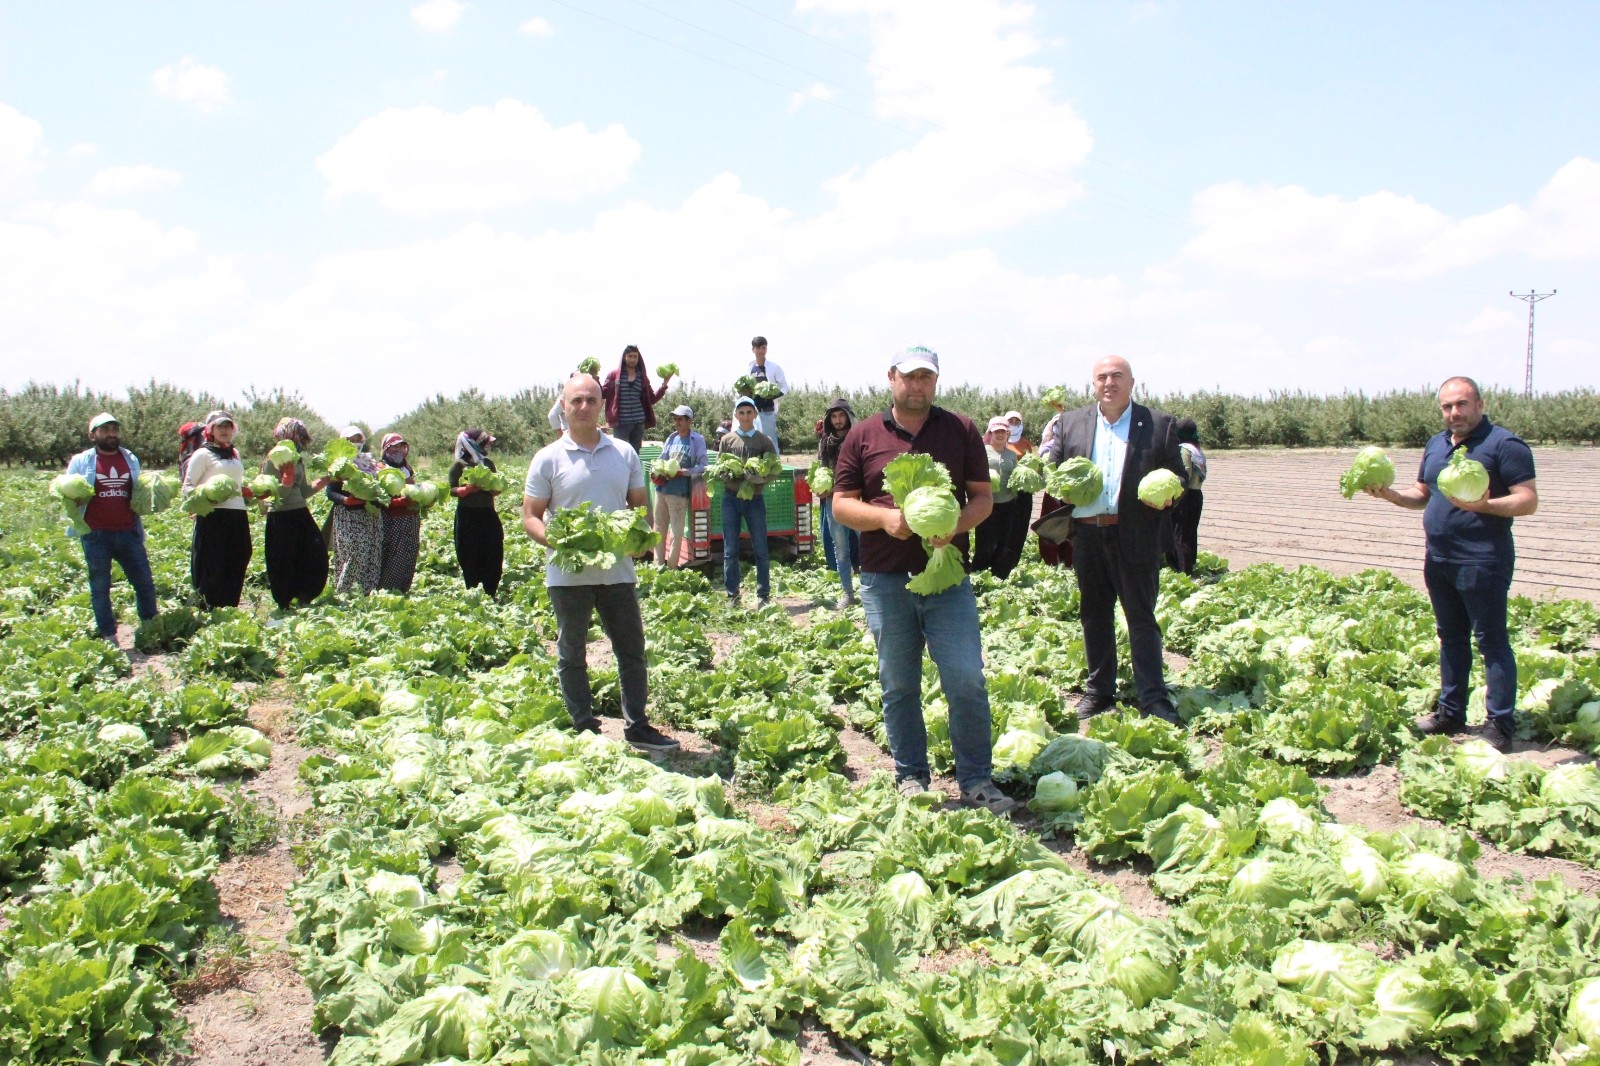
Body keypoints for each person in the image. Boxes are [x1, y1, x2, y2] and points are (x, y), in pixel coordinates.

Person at [832, 345, 1015, 815]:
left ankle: (976, 780)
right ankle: (911, 776)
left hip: (947, 577)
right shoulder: (863, 434)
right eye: (909, 376)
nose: (917, 385)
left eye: (926, 378)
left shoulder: (961, 429)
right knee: (898, 683)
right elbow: (841, 504)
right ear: (892, 377)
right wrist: (884, 520)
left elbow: (982, 498)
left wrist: (953, 526)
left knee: (966, 678)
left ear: (936, 382)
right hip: (884, 579)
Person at [1362, 376, 1537, 753]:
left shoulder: (1504, 444)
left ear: (1480, 404)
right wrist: (1391, 495)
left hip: (1483, 558)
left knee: (1491, 640)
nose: (1454, 412)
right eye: (1447, 406)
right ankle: (1451, 712)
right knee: (1451, 636)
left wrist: (1484, 506)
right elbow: (1422, 494)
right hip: (1439, 558)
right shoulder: (1436, 444)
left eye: (1461, 404)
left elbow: (1527, 500)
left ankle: (1500, 723)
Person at [523, 372, 680, 751]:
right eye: (576, 400)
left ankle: (637, 725)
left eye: (591, 400)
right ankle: (584, 727)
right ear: (563, 406)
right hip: (568, 574)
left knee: (631, 650)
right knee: (572, 652)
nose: (583, 407)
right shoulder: (547, 458)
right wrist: (560, 542)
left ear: (602, 406)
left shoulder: (624, 453)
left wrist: (640, 539)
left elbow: (640, 508)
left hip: (617, 572)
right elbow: (530, 516)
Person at [1043, 355, 1184, 723]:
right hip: (1088, 533)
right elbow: (1052, 468)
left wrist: (1170, 494)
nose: (1109, 383)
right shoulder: (1071, 423)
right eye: (1102, 377)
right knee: (1094, 614)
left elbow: (1179, 478)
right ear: (1093, 385)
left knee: (1141, 616)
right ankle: (1099, 690)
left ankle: (1153, 695)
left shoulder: (1158, 425)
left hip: (1135, 533)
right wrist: (1057, 483)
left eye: (1117, 376)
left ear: (1132, 382)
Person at [64, 412, 159, 641]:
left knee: (144, 583)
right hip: (96, 534)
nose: (111, 434)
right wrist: (76, 499)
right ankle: (109, 634)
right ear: (92, 435)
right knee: (100, 587)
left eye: (114, 429)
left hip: (128, 531)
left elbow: (138, 491)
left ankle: (150, 628)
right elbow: (66, 493)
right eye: (105, 430)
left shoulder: (130, 458)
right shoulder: (81, 462)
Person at [182, 410, 253, 609]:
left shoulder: (234, 454)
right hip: (213, 515)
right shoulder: (203, 454)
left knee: (240, 555)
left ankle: (229, 605)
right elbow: (188, 486)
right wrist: (203, 498)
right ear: (210, 430)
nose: (224, 430)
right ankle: (209, 607)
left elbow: (236, 484)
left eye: (227, 426)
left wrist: (246, 491)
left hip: (237, 514)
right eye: (219, 427)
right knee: (212, 562)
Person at [261, 417, 330, 609]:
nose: (300, 442)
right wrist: (286, 482)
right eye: (298, 437)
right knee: (284, 559)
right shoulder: (274, 460)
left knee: (315, 554)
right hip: (281, 516)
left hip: (300, 512)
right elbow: (271, 497)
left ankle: (304, 596)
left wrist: (325, 480)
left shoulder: (297, 459)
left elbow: (303, 491)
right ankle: (284, 602)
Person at [716, 397, 778, 605]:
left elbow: (773, 469)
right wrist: (724, 474)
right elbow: (719, 465)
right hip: (730, 498)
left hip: (755, 499)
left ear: (755, 415)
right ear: (736, 415)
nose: (745, 416)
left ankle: (763, 595)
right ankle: (732, 594)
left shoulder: (764, 441)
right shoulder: (727, 440)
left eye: (749, 412)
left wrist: (760, 479)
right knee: (730, 549)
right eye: (741, 413)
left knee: (761, 548)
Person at [815, 396, 861, 606]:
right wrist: (820, 487)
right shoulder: (826, 441)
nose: (838, 420)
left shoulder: (858, 438)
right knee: (841, 549)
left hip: (857, 499)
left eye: (842, 415)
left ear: (849, 416)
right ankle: (848, 594)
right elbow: (822, 468)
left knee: (867, 545)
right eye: (834, 416)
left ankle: (870, 591)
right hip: (834, 501)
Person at [327, 426, 383, 594]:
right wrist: (346, 500)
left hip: (370, 514)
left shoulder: (369, 462)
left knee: (371, 551)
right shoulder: (339, 464)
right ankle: (345, 591)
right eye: (350, 440)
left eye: (358, 440)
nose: (355, 443)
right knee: (354, 551)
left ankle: (366, 591)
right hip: (348, 515)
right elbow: (330, 492)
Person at [449, 428, 505, 596]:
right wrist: (466, 490)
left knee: (493, 551)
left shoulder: (488, 464)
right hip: (467, 516)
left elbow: (494, 486)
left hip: (487, 513)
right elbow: (451, 489)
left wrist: (495, 489)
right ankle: (473, 590)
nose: (488, 446)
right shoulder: (459, 465)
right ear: (472, 444)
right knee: (469, 553)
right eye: (485, 443)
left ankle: (490, 591)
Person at [651, 405, 706, 569]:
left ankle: (672, 569)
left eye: (680, 419)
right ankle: (658, 566)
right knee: (658, 529)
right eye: (675, 419)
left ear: (689, 421)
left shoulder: (697, 440)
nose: (676, 422)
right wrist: (656, 472)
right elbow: (662, 459)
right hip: (661, 490)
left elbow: (703, 465)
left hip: (679, 492)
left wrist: (686, 472)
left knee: (676, 532)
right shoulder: (671, 438)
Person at [972, 416, 1020, 578]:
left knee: (1004, 540)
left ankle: (998, 574)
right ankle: (979, 572)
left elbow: (1016, 475)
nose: (1000, 435)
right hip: (986, 503)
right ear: (990, 434)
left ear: (1007, 434)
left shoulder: (1011, 455)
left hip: (1008, 503)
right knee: (985, 541)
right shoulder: (982, 452)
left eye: (1003, 432)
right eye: (996, 432)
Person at [601, 345, 674, 454]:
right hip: (621, 422)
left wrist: (664, 384)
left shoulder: (642, 377)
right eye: (630, 356)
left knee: (635, 453)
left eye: (635, 356)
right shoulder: (614, 375)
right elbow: (603, 393)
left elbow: (652, 398)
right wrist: (594, 377)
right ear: (624, 358)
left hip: (638, 422)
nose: (633, 359)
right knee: (619, 452)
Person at [376, 433, 422, 594]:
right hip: (392, 519)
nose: (398, 450)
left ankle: (403, 588)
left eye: (401, 446)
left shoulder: (407, 468)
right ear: (385, 449)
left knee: (409, 551)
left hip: (411, 517)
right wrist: (401, 502)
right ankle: (386, 589)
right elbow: (380, 499)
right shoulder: (380, 468)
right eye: (393, 447)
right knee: (394, 553)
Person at [1166, 417, 1207, 575]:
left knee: (1180, 534)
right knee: (1190, 533)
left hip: (1185, 496)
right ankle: (1190, 565)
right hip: (1197, 494)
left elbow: (1185, 474)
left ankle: (1183, 570)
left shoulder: (1184, 450)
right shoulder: (1198, 450)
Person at [1035, 393, 1071, 567]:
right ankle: (1050, 562)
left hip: (1068, 491)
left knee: (1068, 526)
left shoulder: (1072, 442)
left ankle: (1068, 561)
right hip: (1052, 492)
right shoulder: (1047, 445)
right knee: (1049, 527)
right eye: (1056, 425)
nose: (1059, 428)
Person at [1000, 409, 1035, 573]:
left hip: (1024, 491)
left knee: (1020, 525)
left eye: (1017, 422)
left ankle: (1014, 560)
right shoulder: (1001, 441)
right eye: (1011, 421)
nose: (1014, 425)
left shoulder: (1026, 443)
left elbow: (1033, 463)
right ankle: (1002, 560)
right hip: (1006, 490)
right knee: (1006, 525)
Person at [746, 335, 788, 450]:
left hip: (767, 411)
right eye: (758, 348)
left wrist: (773, 396)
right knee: (753, 442)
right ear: (753, 349)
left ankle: (774, 461)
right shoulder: (750, 369)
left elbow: (785, 387)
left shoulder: (774, 367)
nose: (761, 351)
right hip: (752, 412)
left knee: (770, 441)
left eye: (763, 348)